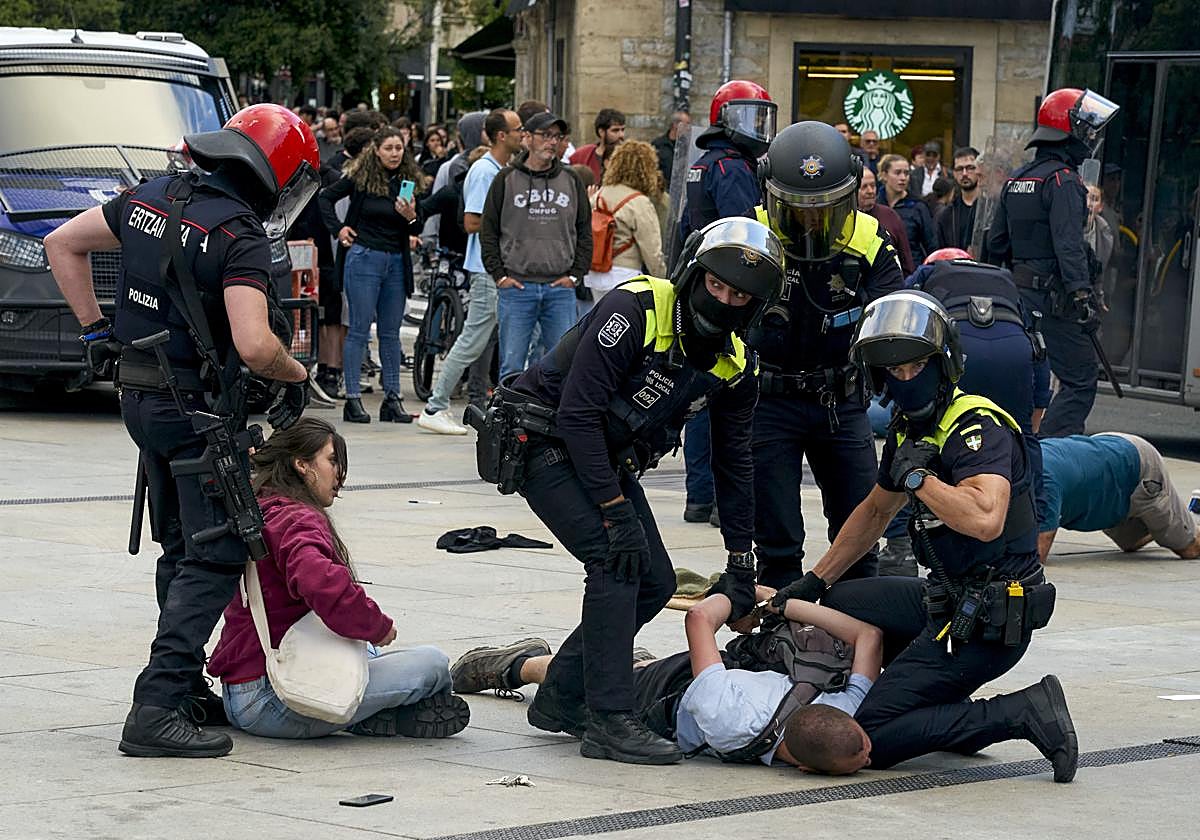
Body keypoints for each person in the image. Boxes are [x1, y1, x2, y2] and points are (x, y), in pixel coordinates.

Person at [45, 103, 315, 757]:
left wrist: (96, 333)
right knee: (218, 553)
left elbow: (63, 243)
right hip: (195, 408)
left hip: (139, 398)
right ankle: (157, 705)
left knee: (181, 545)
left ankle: (189, 691)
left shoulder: (154, 193)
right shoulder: (239, 231)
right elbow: (254, 344)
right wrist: (295, 370)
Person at [479, 218, 784, 764]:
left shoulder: (735, 365)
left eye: (739, 295)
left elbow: (735, 463)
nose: (723, 301)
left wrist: (742, 558)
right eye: (715, 285)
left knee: (656, 581)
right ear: (693, 275)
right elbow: (577, 414)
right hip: (544, 438)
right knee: (616, 559)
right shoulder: (634, 310)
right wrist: (614, 511)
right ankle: (609, 720)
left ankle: (561, 698)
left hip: (604, 456)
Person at [775, 290, 1078, 782]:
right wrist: (814, 581)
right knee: (841, 602)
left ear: (944, 363)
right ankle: (938, 700)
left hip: (990, 622)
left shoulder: (976, 428)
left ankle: (1021, 710)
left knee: (866, 738)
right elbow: (875, 512)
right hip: (947, 600)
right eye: (894, 370)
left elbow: (986, 519)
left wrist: (923, 481)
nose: (906, 378)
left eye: (917, 367)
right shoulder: (908, 430)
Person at [206, 418, 470, 739]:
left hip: (241, 690)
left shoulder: (263, 508)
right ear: (302, 465)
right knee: (433, 666)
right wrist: (377, 625)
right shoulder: (296, 518)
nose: (339, 475)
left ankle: (376, 715)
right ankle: (380, 714)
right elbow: (320, 581)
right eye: (332, 461)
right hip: (275, 698)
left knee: (362, 651)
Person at [450, 582, 880, 775]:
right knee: (583, 696)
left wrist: (777, 602)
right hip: (676, 695)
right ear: (802, 767)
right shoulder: (730, 718)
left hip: (713, 676)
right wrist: (749, 599)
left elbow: (867, 635)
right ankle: (518, 665)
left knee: (626, 671)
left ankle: (630, 663)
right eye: (864, 750)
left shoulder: (843, 707)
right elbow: (696, 618)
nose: (870, 751)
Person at [749, 120, 904, 589]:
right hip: (768, 398)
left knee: (858, 530)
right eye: (797, 209)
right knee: (775, 539)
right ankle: (775, 636)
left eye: (826, 207)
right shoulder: (751, 237)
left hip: (840, 399)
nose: (813, 219)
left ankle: (861, 635)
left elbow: (894, 323)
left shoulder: (870, 243)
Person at [877, 251, 1050, 576]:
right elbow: (1037, 348)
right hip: (1013, 353)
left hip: (962, 345)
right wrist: (1027, 427)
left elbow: (900, 318)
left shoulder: (928, 275)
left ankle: (898, 547)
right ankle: (1032, 545)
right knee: (1022, 440)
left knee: (912, 436)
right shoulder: (1005, 281)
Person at [987, 87, 1120, 437]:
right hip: (1055, 299)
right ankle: (1052, 452)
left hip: (1018, 297)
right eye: (1085, 128)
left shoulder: (1017, 179)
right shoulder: (1063, 181)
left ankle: (1024, 449)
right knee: (1080, 379)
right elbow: (1069, 246)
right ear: (1068, 129)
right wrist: (1083, 297)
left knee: (1031, 381)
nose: (1089, 136)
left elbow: (995, 243)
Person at [677, 80, 777, 525]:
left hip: (701, 287)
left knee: (699, 391)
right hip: (730, 289)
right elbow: (746, 235)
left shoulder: (701, 164)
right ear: (724, 118)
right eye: (748, 117)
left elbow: (684, 228)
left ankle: (698, 495)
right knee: (731, 392)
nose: (757, 127)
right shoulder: (733, 168)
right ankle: (721, 499)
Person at [416, 109, 523, 435]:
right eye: (517, 129)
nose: (522, 134)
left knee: (496, 338)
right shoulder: (484, 172)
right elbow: (472, 221)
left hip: (497, 268)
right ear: (501, 135)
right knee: (472, 340)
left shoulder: (499, 169)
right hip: (485, 269)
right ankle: (435, 405)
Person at [318, 126, 424, 424]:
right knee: (360, 329)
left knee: (390, 333)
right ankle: (353, 398)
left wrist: (412, 216)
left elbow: (415, 227)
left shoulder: (406, 182)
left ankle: (392, 397)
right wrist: (338, 229)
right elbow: (324, 199)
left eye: (399, 148)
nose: (394, 153)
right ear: (375, 150)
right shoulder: (360, 178)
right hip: (364, 257)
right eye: (388, 148)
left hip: (395, 261)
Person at [481, 111, 593, 380]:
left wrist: (575, 275)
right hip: (517, 287)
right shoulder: (506, 179)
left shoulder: (571, 180)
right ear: (527, 138)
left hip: (560, 289)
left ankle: (550, 421)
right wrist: (500, 275)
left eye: (557, 136)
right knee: (512, 366)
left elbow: (584, 231)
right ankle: (507, 419)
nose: (552, 142)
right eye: (545, 135)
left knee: (561, 367)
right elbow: (488, 230)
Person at [1038, 433, 1200, 561]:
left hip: (1139, 469)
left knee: (1189, 548)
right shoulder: (1023, 462)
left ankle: (1190, 519)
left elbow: (1036, 556)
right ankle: (1172, 523)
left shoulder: (1044, 484)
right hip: (1107, 465)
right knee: (1130, 542)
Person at [585, 140, 668, 303]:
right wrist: (665, 281)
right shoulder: (639, 202)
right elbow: (652, 252)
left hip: (595, 273)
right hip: (625, 275)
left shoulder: (598, 195)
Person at [879, 153, 937, 265]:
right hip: (882, 270)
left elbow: (931, 244)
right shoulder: (876, 205)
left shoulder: (918, 206)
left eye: (906, 173)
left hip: (911, 271)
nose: (903, 178)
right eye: (897, 173)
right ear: (884, 175)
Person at [857, 167, 914, 276]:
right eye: (864, 187)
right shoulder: (847, 218)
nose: (870, 191)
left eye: (873, 186)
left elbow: (906, 259)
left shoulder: (890, 215)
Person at [935, 146, 981, 252]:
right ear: (954, 173)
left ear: (979, 169)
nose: (964, 173)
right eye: (959, 169)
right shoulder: (946, 215)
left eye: (970, 168)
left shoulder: (990, 211)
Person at [569, 108, 626, 182]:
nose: (621, 135)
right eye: (615, 130)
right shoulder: (582, 156)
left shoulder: (629, 158)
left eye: (623, 130)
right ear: (601, 132)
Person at [651, 110, 691, 188]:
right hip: (663, 191)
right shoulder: (658, 145)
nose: (689, 128)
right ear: (676, 125)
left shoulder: (688, 146)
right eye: (687, 124)